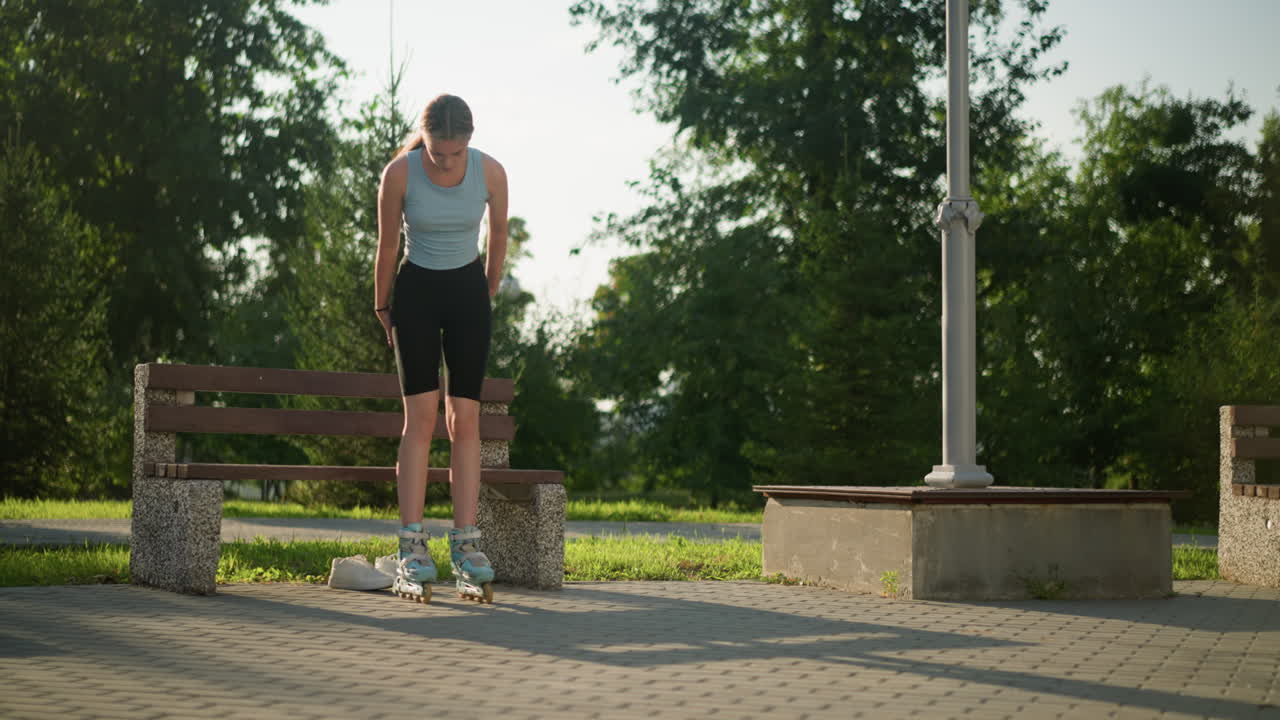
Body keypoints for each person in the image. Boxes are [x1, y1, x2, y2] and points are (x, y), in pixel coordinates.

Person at [373, 93, 508, 603]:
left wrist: (487, 291)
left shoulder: (491, 172)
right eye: (437, 152)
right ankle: (412, 544)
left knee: (466, 421)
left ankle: (466, 544)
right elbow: (388, 245)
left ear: (469, 142)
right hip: (416, 296)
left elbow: (499, 234)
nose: (446, 161)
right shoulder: (400, 174)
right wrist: (381, 307)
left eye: (454, 154)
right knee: (421, 419)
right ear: (425, 139)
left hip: (468, 294)